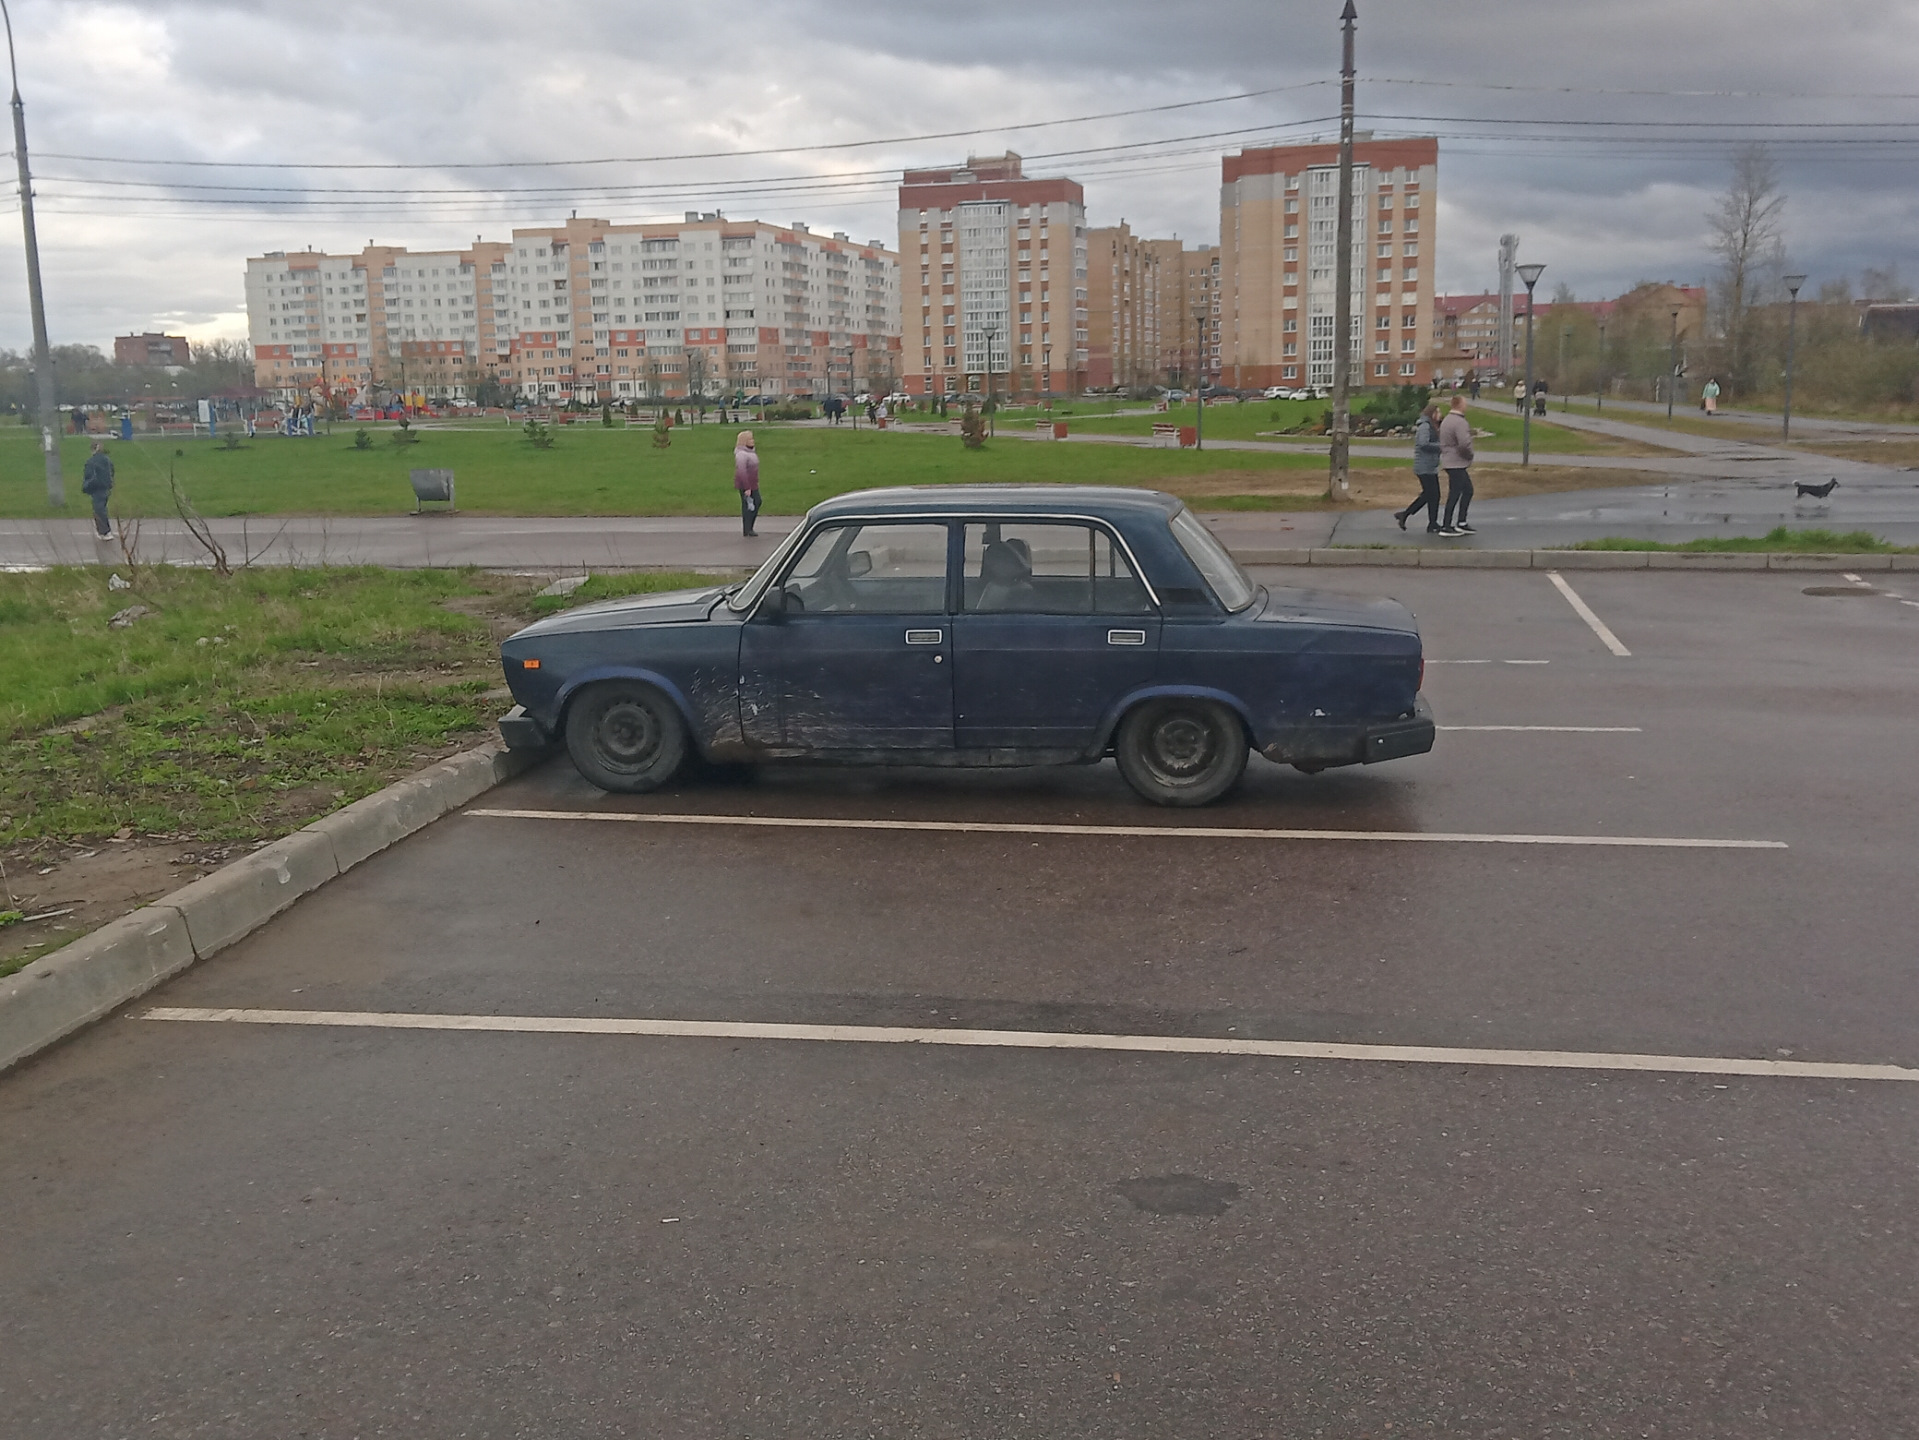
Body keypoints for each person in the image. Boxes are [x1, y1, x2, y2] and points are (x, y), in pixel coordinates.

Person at [1395, 402, 1444, 533]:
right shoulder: (1425, 426)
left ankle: (1427, 521)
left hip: (1430, 466)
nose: (1440, 415)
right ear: (1432, 414)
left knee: (1431, 495)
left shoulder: (1433, 426)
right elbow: (1423, 443)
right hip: (1424, 466)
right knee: (1431, 494)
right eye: (1438, 412)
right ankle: (1409, 516)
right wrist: (1440, 447)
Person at [1438, 394, 1476, 535]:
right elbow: (1464, 444)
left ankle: (1461, 522)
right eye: (1464, 403)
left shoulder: (1447, 420)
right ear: (1459, 405)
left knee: (1467, 490)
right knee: (1455, 493)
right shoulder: (1460, 422)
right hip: (1456, 463)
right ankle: (1446, 525)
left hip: (1450, 461)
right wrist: (1469, 455)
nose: (1466, 405)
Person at [81, 440, 115, 540]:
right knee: (102, 508)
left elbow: (89, 475)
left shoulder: (91, 461)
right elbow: (112, 472)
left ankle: (105, 532)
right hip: (106, 487)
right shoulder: (107, 460)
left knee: (98, 509)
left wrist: (87, 486)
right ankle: (104, 531)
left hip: (97, 488)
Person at [734, 430, 761, 537]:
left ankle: (749, 528)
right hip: (746, 484)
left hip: (753, 483)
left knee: (755, 503)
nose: (753, 441)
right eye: (750, 439)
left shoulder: (750, 452)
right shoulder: (741, 454)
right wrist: (747, 487)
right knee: (750, 504)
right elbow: (741, 471)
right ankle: (748, 529)